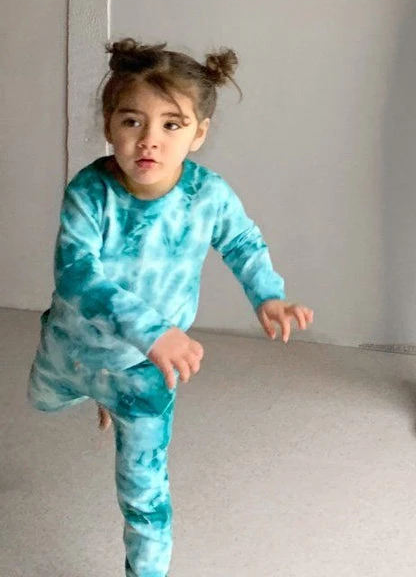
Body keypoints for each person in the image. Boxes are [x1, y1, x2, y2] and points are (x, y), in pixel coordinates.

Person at [28, 38, 313, 576]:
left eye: (171, 125)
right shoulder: (90, 192)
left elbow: (242, 242)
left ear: (198, 133)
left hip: (146, 371)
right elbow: (76, 275)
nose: (149, 141)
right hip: (73, 350)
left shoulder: (207, 195)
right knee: (42, 400)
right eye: (132, 121)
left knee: (145, 494)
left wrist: (268, 295)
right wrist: (154, 329)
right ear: (109, 125)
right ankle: (95, 394)